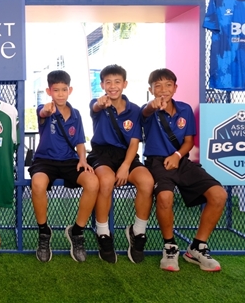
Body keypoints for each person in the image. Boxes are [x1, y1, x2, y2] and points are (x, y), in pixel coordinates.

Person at [142, 68, 227, 272]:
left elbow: (189, 141)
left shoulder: (185, 109)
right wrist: (152, 106)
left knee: (219, 194)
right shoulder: (148, 111)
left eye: (168, 85)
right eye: (158, 86)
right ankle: (170, 247)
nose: (163, 89)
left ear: (175, 87)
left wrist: (177, 156)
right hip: (157, 163)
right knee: (165, 197)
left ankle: (197, 247)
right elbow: (145, 111)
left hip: (181, 160)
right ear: (151, 90)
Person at [28, 70, 99, 263]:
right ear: (48, 91)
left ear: (70, 90)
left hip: (69, 160)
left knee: (93, 183)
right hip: (45, 160)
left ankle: (77, 232)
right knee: (38, 184)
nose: (60, 94)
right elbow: (42, 112)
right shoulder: (45, 109)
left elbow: (80, 142)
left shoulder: (76, 114)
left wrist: (82, 159)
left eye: (64, 89)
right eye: (56, 90)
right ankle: (44, 232)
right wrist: (46, 111)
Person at [87, 64, 154, 264]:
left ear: (125, 84)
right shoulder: (98, 104)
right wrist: (99, 104)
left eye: (117, 82)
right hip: (101, 154)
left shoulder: (135, 110)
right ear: (102, 85)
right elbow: (95, 107)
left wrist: (125, 166)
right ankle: (103, 233)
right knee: (106, 181)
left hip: (127, 155)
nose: (113, 86)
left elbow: (134, 142)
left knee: (147, 182)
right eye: (108, 82)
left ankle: (138, 232)